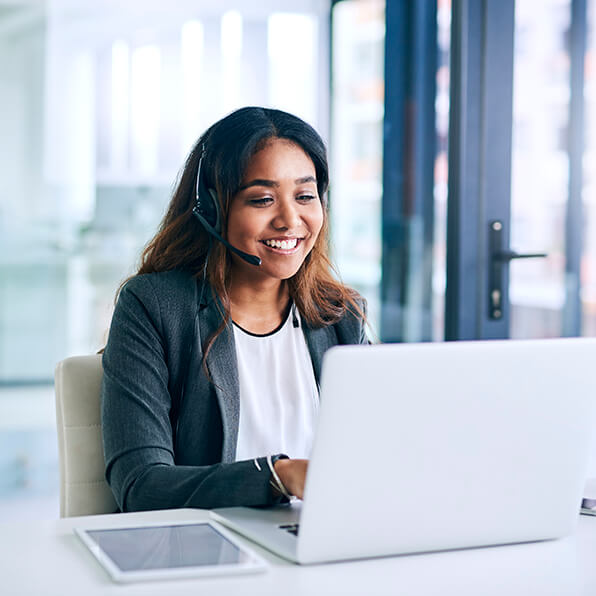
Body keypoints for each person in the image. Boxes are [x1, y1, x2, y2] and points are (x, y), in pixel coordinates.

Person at [101, 106, 367, 512]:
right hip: (206, 554)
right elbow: (142, 486)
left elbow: (374, 459)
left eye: (305, 196)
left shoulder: (342, 315)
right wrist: (279, 476)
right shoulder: (153, 307)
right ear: (211, 209)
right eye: (262, 199)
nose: (290, 219)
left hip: (322, 541)